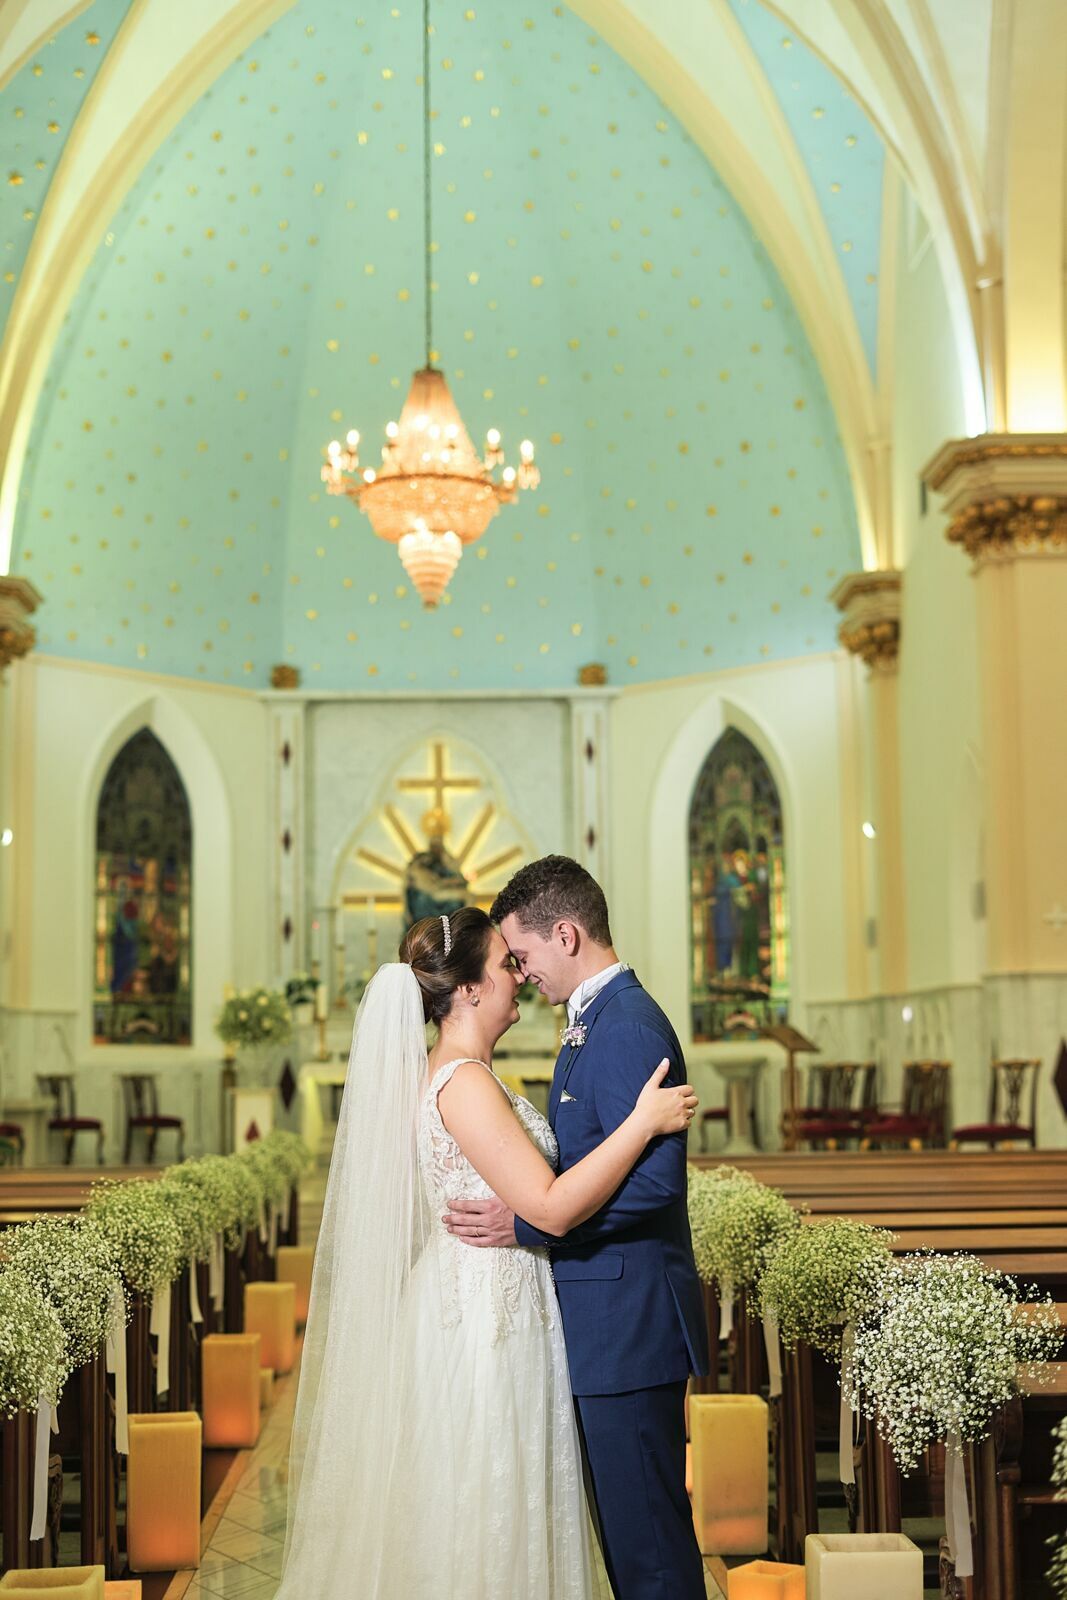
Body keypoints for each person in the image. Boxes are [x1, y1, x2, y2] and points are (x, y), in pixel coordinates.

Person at [275, 903, 697, 1600]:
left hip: (491, 1299)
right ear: (469, 989)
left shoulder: (461, 1073)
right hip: (485, 1319)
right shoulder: (463, 1082)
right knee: (490, 1494)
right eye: (506, 964)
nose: (519, 975)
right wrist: (641, 1123)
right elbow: (550, 1206)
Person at [445, 856, 709, 1600]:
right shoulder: (592, 1021)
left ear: (565, 935)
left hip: (629, 1323)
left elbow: (655, 1183)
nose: (521, 971)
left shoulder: (625, 1026)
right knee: (629, 1545)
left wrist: (535, 1221)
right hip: (605, 1322)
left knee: (650, 1551)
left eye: (523, 954)